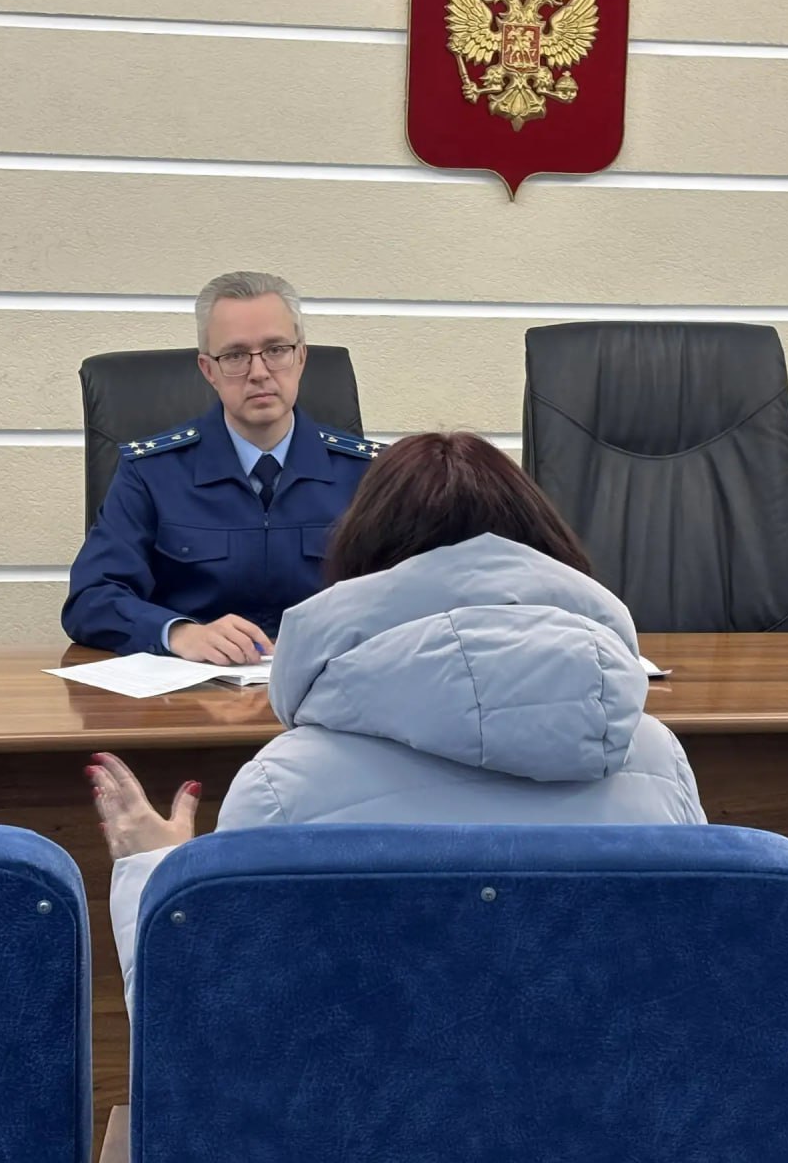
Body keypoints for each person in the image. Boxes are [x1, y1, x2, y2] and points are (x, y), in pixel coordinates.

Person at [86, 431, 707, 1009]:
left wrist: (161, 878)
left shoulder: (282, 786)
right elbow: (692, 985)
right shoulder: (657, 757)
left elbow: (208, 1032)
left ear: (363, 567)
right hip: (614, 1092)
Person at [62, 271, 378, 662]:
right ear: (208, 370)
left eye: (276, 349)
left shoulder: (368, 476)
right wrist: (177, 633)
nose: (259, 372)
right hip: (192, 689)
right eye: (235, 356)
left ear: (301, 358)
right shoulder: (152, 473)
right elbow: (91, 598)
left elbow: (413, 593)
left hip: (329, 682)